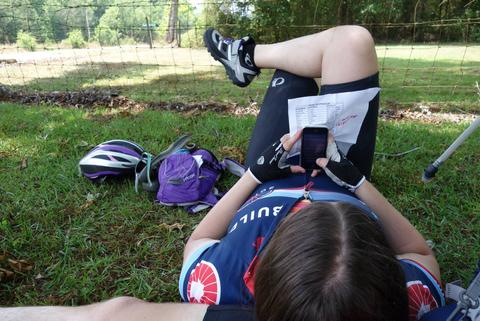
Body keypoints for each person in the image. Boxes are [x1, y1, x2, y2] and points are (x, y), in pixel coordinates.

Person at [0, 25, 444, 321]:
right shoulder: (387, 302)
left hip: (273, 171)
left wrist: (254, 175)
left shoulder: (219, 287)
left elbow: (196, 241)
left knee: (295, 70)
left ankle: (245, 58)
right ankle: (246, 57)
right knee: (352, 42)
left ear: (258, 274)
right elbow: (421, 256)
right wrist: (356, 183)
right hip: (343, 171)